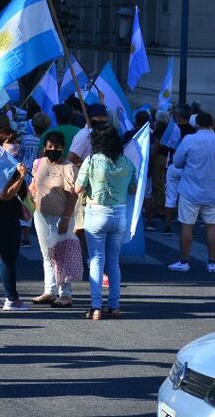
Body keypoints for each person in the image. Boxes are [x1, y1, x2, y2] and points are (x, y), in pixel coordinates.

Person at [74, 127, 136, 319]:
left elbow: (78, 188)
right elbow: (133, 189)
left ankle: (96, 306)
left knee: (96, 260)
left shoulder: (91, 161)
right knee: (113, 261)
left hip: (96, 212)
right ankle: (114, 305)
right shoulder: (127, 162)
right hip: (119, 214)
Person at [169, 112, 215, 273]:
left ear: (197, 124)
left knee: (187, 225)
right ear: (211, 123)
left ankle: (184, 261)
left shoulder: (190, 139)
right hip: (213, 190)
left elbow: (177, 161)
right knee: (212, 227)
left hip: (191, 190)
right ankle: (212, 262)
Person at [0, 128, 31, 311]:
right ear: (0, 145)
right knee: (8, 257)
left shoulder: (3, 162)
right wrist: (21, 177)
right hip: (3, 214)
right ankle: (12, 298)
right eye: (10, 142)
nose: (15, 145)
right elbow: (5, 195)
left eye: (16, 141)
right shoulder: (1, 165)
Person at [30, 131, 78, 308]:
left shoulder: (68, 167)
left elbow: (73, 196)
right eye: (50, 146)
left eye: (57, 147)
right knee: (46, 255)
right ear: (44, 147)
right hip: (41, 215)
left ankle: (65, 294)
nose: (53, 150)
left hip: (61, 217)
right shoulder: (38, 163)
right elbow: (34, 185)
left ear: (63, 148)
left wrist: (66, 218)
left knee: (61, 256)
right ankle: (49, 290)